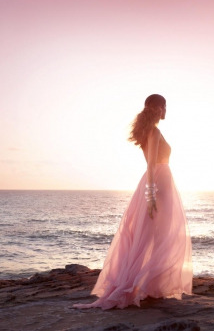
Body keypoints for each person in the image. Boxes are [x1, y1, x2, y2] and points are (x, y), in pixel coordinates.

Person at [73, 94, 193, 310]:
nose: (166, 110)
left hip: (158, 184)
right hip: (157, 184)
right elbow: (150, 165)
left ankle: (150, 286)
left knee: (156, 235)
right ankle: (140, 285)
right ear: (157, 108)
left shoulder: (149, 131)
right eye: (164, 106)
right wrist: (151, 195)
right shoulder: (154, 132)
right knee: (156, 235)